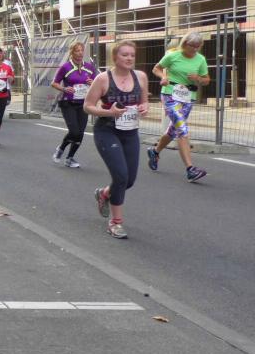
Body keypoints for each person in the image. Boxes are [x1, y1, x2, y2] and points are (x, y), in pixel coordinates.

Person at [83, 40, 149, 239]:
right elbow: (87, 106)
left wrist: (144, 107)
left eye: (132, 55)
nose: (129, 58)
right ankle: (115, 222)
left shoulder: (141, 77)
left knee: (129, 180)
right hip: (107, 131)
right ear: (114, 57)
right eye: (124, 55)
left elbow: (145, 101)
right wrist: (108, 112)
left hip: (130, 132)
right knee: (120, 176)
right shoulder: (103, 79)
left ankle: (104, 194)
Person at [147, 32, 210, 183]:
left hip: (188, 97)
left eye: (198, 46)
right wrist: (163, 77)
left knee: (173, 131)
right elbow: (156, 68)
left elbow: (207, 80)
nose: (195, 49)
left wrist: (198, 78)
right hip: (170, 95)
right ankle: (190, 169)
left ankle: (155, 151)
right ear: (185, 43)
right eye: (192, 46)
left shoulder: (200, 59)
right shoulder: (173, 55)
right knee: (182, 129)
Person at [51, 42, 98, 168]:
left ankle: (70, 158)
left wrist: (93, 82)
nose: (80, 53)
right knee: (74, 131)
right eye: (77, 50)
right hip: (68, 103)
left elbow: (98, 83)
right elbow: (54, 83)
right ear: (72, 53)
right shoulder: (65, 67)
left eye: (82, 50)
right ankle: (61, 148)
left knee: (80, 133)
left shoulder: (89, 67)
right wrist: (64, 89)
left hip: (83, 104)